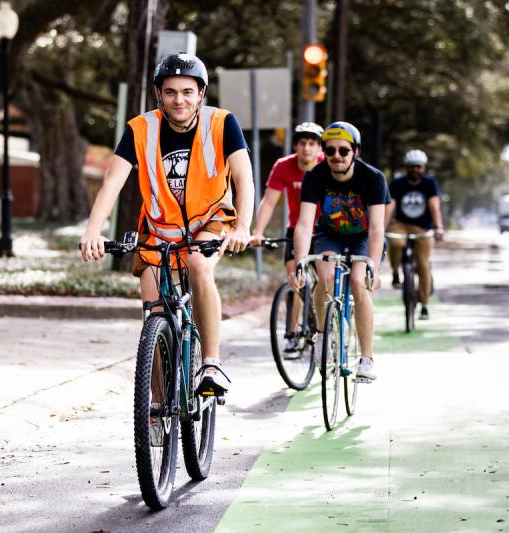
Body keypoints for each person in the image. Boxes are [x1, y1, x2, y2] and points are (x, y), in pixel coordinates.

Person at [80, 53, 254, 397]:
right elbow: (112, 183)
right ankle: (157, 407)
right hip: (159, 229)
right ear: (159, 93)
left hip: (211, 219)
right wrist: (92, 230)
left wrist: (243, 226)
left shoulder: (222, 123)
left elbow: (244, 178)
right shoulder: (140, 129)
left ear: (201, 94)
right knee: (153, 317)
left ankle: (211, 364)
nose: (179, 100)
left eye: (188, 92)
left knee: (198, 266)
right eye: (171, 92)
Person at [291, 121, 390, 381]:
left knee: (358, 282)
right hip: (329, 236)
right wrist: (300, 260)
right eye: (331, 150)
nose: (336, 156)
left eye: (343, 151)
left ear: (355, 151)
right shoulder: (315, 176)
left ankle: (366, 359)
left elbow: (377, 228)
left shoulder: (373, 178)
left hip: (362, 237)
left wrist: (374, 268)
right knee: (325, 277)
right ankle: (323, 336)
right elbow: (304, 223)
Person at [251, 122, 324, 356]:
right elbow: (270, 200)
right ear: (295, 146)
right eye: (302, 143)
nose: (307, 148)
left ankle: (326, 327)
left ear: (319, 148)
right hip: (297, 230)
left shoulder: (327, 165)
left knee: (326, 281)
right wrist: (258, 231)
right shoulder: (283, 166)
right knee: (295, 280)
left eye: (312, 143)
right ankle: (292, 335)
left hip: (325, 231)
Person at [386, 149, 444, 319]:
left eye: (418, 167)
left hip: (423, 228)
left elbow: (434, 206)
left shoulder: (429, 184)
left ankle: (424, 305)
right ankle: (396, 271)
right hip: (401, 224)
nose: (415, 170)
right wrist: (381, 227)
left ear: (424, 167)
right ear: (406, 167)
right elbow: (390, 206)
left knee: (423, 265)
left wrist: (438, 226)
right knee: (395, 243)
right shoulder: (397, 183)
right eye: (411, 167)